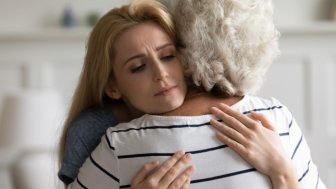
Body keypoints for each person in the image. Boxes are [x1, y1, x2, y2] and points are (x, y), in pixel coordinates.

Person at [58, 0, 325, 188]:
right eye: (138, 67)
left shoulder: (273, 120)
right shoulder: (109, 141)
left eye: (168, 56)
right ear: (112, 87)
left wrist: (283, 171)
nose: (161, 74)